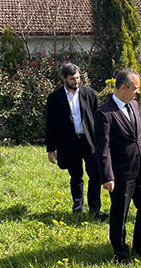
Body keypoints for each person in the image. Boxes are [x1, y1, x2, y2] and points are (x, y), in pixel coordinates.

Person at [94, 69, 141, 264]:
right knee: (120, 214)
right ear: (123, 87)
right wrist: (107, 176)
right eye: (135, 88)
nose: (138, 92)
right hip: (120, 173)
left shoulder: (135, 105)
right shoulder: (104, 113)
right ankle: (121, 254)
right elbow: (102, 147)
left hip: (140, 169)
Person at [45, 62, 108, 221]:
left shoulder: (90, 94)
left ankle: (95, 209)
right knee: (76, 176)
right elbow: (50, 124)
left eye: (78, 78)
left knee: (96, 175)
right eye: (72, 79)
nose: (76, 81)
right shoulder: (54, 98)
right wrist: (51, 149)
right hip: (68, 143)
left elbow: (99, 119)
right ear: (64, 78)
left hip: (89, 141)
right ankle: (77, 208)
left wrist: (103, 141)